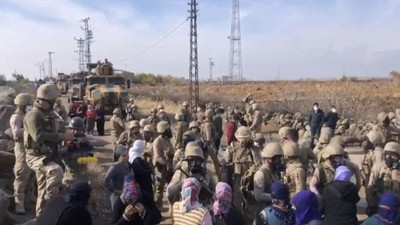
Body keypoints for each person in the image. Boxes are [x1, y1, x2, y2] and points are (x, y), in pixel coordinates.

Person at [24, 84, 74, 216]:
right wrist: (62, 136)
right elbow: (38, 137)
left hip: (48, 154)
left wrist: (68, 131)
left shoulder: (50, 113)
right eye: (51, 101)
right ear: (42, 100)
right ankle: (51, 203)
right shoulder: (33, 115)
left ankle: (40, 217)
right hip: (35, 156)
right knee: (55, 171)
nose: (53, 104)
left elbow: (61, 125)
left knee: (41, 188)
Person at [223, 126, 260, 210]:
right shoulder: (232, 148)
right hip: (236, 177)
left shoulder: (253, 149)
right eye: (242, 139)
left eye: (246, 139)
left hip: (250, 178)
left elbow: (258, 163)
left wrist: (252, 170)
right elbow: (225, 162)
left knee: (250, 200)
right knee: (237, 200)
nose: (244, 142)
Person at [10, 93, 35, 214]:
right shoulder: (16, 118)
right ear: (23, 105)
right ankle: (19, 202)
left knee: (31, 175)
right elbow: (16, 134)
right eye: (29, 105)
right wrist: (30, 128)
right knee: (21, 176)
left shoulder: (26, 116)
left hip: (30, 148)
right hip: (21, 149)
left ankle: (29, 197)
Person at [367, 142, 400, 216]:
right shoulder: (378, 167)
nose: (389, 157)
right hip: (381, 204)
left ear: (398, 157)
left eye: (393, 155)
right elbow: (370, 187)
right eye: (387, 154)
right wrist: (370, 203)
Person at [62, 117, 94, 187]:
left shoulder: (84, 140)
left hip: (82, 173)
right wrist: (69, 147)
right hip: (70, 173)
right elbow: (59, 154)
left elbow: (91, 154)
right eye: (74, 129)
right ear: (70, 129)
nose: (76, 132)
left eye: (78, 130)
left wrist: (85, 146)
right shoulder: (65, 140)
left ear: (82, 130)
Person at [253, 142, 285, 213]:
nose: (279, 161)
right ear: (269, 159)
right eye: (277, 159)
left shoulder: (275, 171)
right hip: (264, 210)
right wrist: (274, 197)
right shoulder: (260, 174)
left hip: (276, 208)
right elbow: (258, 196)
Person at [152, 121, 174, 207]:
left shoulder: (166, 140)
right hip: (161, 168)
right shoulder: (157, 141)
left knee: (171, 189)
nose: (169, 131)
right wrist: (166, 164)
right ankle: (158, 208)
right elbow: (157, 157)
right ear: (163, 130)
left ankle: (171, 209)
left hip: (168, 167)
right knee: (159, 189)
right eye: (167, 129)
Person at [104, 146, 131, 211]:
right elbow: (106, 180)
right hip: (117, 197)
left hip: (127, 196)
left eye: (127, 154)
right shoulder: (115, 167)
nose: (127, 157)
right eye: (124, 155)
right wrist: (115, 190)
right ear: (119, 156)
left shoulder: (128, 165)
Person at [201, 109, 221, 180]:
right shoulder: (208, 125)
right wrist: (214, 147)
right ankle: (219, 178)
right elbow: (209, 138)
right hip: (208, 145)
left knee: (204, 162)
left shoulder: (204, 123)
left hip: (204, 144)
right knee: (215, 162)